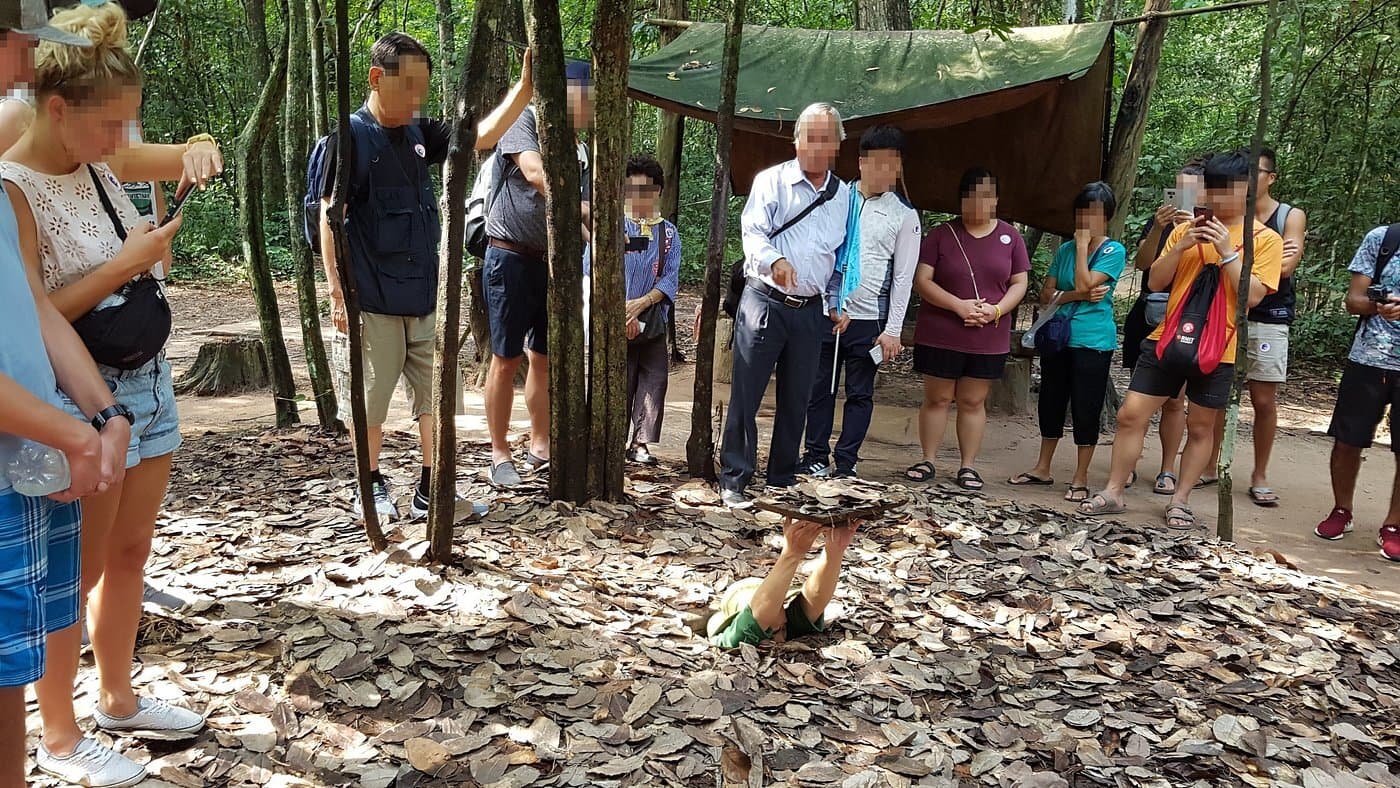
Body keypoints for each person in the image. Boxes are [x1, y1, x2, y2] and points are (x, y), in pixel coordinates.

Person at [2, 3, 227, 785]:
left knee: (131, 552)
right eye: (111, 128)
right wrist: (124, 266)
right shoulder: (15, 190)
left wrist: (198, 149)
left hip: (147, 384)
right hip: (76, 397)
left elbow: (179, 155)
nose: (122, 144)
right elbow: (31, 322)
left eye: (129, 129)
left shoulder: (102, 156)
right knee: (79, 570)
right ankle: (58, 735)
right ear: (58, 110)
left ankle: (118, 696)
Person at [319, 33, 532, 518]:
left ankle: (432, 487)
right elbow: (329, 217)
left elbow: (480, 135)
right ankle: (369, 484)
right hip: (370, 298)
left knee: (436, 396)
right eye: (408, 87)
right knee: (370, 400)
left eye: (424, 88)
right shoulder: (348, 139)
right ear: (377, 78)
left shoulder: (420, 134)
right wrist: (336, 291)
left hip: (424, 296)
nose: (418, 99)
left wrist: (523, 90)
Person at [0, 6, 133, 785]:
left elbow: (33, 307)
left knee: (10, 670)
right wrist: (74, 431)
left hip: (25, 458)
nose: (23, 69)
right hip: (32, 443)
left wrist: (102, 414)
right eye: (18, 47)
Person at [1078, 151, 1282, 530]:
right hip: (1166, 337)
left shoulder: (1264, 240)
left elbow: (1252, 296)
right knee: (1130, 415)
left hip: (1220, 347)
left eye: (1229, 190)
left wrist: (1225, 251)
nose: (1218, 199)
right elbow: (1155, 281)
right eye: (1214, 190)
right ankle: (1113, 491)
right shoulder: (1184, 228)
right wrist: (1181, 244)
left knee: (1201, 426)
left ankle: (1181, 499)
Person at [718, 103, 850, 509]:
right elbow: (752, 232)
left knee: (798, 397)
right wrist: (774, 261)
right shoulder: (771, 182)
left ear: (836, 146)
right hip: (765, 301)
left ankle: (781, 478)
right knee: (747, 392)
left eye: (825, 137)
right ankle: (735, 479)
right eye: (809, 136)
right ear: (796, 141)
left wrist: (836, 302)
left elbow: (841, 255)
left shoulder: (843, 195)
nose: (815, 145)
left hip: (811, 310)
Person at [482, 60, 593, 488]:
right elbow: (534, 174)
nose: (591, 107)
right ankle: (498, 451)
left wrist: (595, 238)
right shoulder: (523, 122)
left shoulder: (579, 147)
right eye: (586, 96)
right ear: (567, 94)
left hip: (554, 264)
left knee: (542, 358)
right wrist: (585, 208)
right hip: (510, 257)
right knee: (506, 358)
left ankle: (540, 442)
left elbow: (576, 214)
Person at [800, 124, 920, 479]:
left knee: (859, 393)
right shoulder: (836, 197)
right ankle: (815, 455)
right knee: (819, 388)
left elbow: (903, 278)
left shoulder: (905, 215)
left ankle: (846, 462)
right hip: (827, 311)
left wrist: (893, 330)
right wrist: (824, 302)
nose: (886, 172)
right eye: (879, 163)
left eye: (893, 165)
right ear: (862, 162)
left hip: (870, 320)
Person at [905, 168, 1029, 490]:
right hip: (942, 329)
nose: (979, 202)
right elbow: (922, 280)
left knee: (974, 400)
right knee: (938, 397)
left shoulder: (1010, 237)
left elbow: (1019, 282)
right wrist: (958, 305)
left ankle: (968, 466)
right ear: (961, 200)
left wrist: (996, 310)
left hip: (988, 333)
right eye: (972, 196)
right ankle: (928, 458)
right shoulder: (941, 235)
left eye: (987, 196)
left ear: (997, 200)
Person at [1200, 146, 1307, 506]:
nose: (1248, 179)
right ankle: (1211, 464)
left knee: (1262, 398)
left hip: (1269, 316)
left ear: (1271, 178)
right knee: (1216, 394)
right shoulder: (1227, 214)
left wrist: (1251, 263)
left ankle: (1259, 473)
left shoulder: (1289, 216)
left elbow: (1284, 269)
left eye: (1256, 172)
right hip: (1224, 313)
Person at [1010, 182, 1125, 502]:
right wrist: (1078, 294)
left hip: (1092, 340)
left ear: (1108, 217)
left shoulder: (1114, 251)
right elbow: (1046, 295)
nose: (1088, 219)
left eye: (1096, 213)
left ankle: (1081, 475)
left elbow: (1088, 280)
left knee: (1085, 406)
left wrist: (1085, 250)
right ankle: (1042, 467)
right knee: (1051, 400)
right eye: (1083, 212)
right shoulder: (1064, 250)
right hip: (1058, 337)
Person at [1315, 222, 1400, 561]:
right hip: (1368, 358)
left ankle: (1394, 525)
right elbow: (1354, 299)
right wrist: (1378, 306)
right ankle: (1341, 510)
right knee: (1347, 439)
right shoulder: (1383, 239)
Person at [1126, 158, 1206, 496]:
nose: (1182, 195)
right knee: (1139, 395)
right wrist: (1159, 228)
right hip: (1148, 314)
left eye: (1190, 188)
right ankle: (1127, 464)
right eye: (1178, 187)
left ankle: (1167, 469)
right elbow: (1143, 265)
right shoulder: (1159, 222)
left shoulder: (1211, 226)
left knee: (1175, 400)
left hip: (1186, 318)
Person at [600, 153, 680, 465]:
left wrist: (641, 305)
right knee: (621, 379)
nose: (638, 197)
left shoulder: (669, 234)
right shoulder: (611, 226)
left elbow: (670, 277)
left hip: (653, 319)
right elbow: (593, 268)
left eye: (645, 190)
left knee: (653, 379)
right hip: (612, 317)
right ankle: (612, 439)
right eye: (631, 189)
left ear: (658, 191)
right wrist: (621, 311)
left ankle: (641, 442)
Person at [707, 518, 860, 648]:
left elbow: (814, 599)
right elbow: (757, 617)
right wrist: (791, 554)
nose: (780, 640)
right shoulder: (729, 640)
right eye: (770, 632)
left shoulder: (783, 623)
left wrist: (835, 549)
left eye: (783, 629)